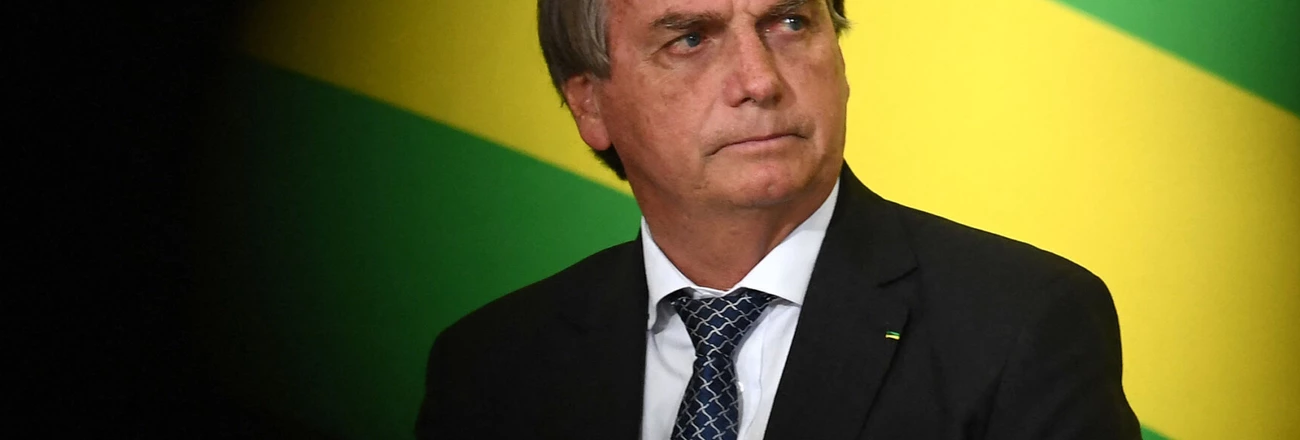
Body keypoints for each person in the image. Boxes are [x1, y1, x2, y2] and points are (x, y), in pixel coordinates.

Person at [417, 0, 1139, 438]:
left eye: (789, 22)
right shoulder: (491, 367)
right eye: (690, 38)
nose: (759, 80)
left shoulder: (1023, 324)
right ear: (590, 104)